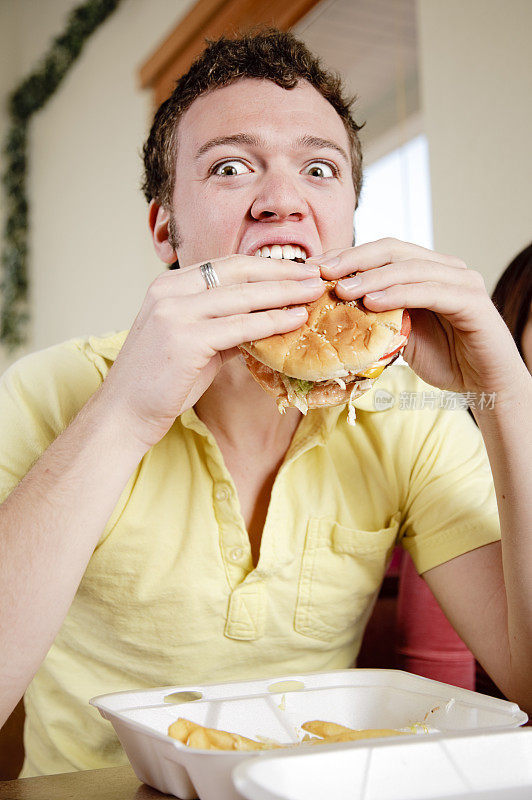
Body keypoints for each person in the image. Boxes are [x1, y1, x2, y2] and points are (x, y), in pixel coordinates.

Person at [0, 30, 530, 777]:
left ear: (345, 221)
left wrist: (506, 391)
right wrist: (124, 416)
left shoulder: (406, 416)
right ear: (166, 231)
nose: (283, 201)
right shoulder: (48, 390)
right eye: (230, 167)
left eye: (319, 168)